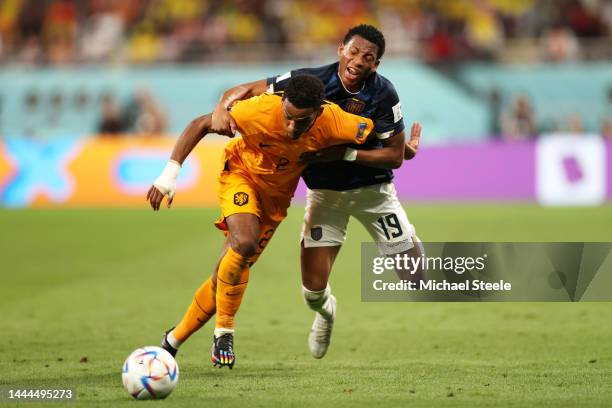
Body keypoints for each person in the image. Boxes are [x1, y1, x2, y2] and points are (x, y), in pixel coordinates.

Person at [211, 24, 423, 360]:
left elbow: (394, 155)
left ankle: (407, 237)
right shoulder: (308, 82)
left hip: (374, 193)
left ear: (376, 64)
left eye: (368, 57)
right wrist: (223, 105)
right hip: (325, 196)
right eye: (354, 52)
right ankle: (326, 314)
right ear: (341, 49)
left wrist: (345, 153)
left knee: (415, 279)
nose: (358, 61)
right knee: (312, 293)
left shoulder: (383, 94)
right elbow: (246, 89)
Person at [147, 75, 375, 368]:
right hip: (241, 175)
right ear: (282, 103)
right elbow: (201, 124)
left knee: (224, 276)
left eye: (301, 121)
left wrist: (399, 150)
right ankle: (224, 332)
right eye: (288, 116)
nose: (292, 126)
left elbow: (377, 134)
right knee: (244, 241)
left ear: (318, 112)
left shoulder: (337, 121)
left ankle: (172, 341)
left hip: (276, 201)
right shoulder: (257, 110)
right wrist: (169, 175)